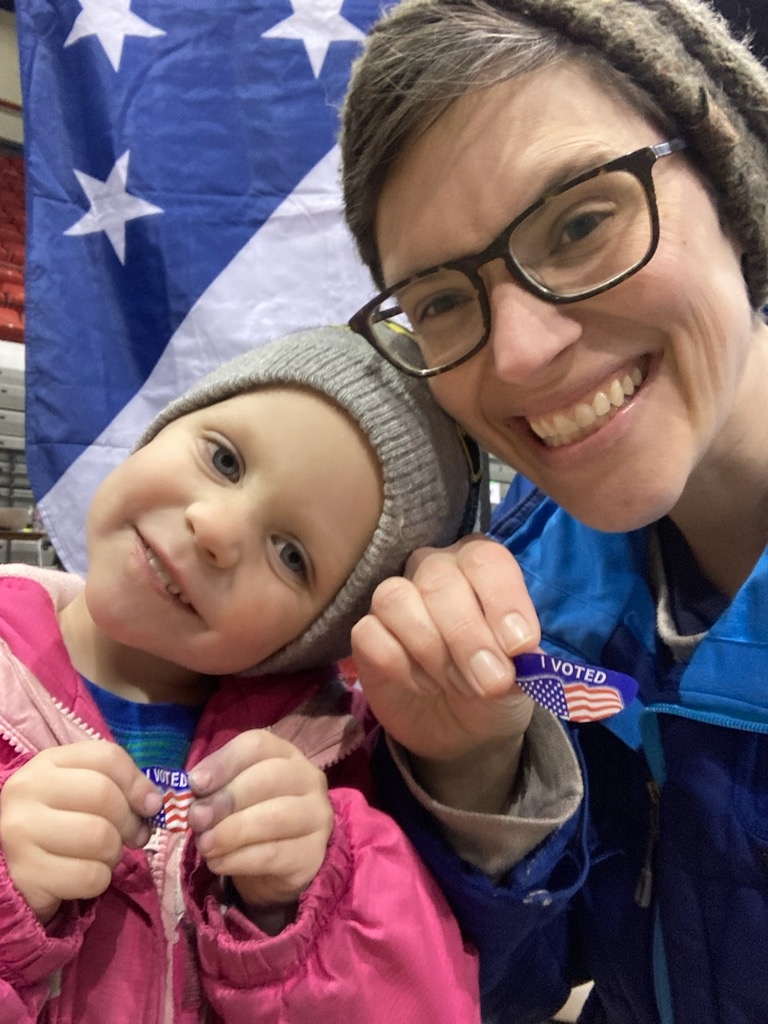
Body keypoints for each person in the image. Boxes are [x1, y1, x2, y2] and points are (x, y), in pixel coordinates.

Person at [339, 1, 768, 1022]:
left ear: (734, 189)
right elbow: (517, 985)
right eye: (441, 299)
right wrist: (482, 778)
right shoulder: (528, 606)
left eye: (579, 223)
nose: (521, 353)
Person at [0, 324, 482, 1023]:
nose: (216, 530)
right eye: (224, 459)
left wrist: (298, 911)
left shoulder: (328, 774)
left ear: (311, 639)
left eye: (291, 555)